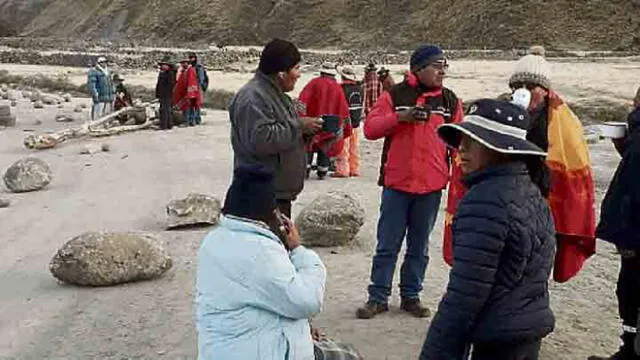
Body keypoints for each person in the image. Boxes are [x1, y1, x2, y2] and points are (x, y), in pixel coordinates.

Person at [442, 45, 596, 283]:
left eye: (530, 87)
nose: (522, 92)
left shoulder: (564, 122)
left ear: (545, 90)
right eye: (517, 86)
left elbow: (572, 171)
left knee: (529, 270)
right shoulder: (501, 113)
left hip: (540, 203)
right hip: (501, 197)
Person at [420, 99, 556, 360]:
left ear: (502, 150)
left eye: (474, 141)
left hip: (498, 337)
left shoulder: (485, 200)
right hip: (526, 329)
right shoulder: (530, 191)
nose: (462, 149)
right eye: (462, 139)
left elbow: (465, 295)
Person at [356, 45, 463, 319]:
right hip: (397, 185)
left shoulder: (450, 101)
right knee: (387, 244)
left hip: (431, 187)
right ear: (418, 69)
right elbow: (369, 129)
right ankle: (378, 297)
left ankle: (411, 296)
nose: (442, 71)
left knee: (419, 246)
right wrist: (399, 118)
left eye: (444, 66)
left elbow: (460, 145)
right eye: (436, 66)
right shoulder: (394, 96)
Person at [196, 164, 327, 360]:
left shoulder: (213, 240)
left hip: (226, 349)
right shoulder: (260, 251)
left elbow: (266, 295)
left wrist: (303, 328)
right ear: (272, 213)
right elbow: (307, 301)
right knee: (345, 354)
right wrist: (299, 251)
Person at [227, 38, 323, 218]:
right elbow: (261, 140)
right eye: (296, 68)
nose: (299, 74)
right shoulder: (253, 98)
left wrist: (310, 133)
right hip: (259, 196)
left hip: (275, 194)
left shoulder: (277, 96)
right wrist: (299, 126)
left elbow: (284, 135)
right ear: (281, 73)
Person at [589, 87, 640, 360]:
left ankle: (630, 351)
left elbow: (633, 191)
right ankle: (628, 348)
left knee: (631, 292)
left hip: (635, 234)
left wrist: (626, 239)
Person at [298, 62, 351, 180]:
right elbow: (343, 108)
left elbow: (302, 101)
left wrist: (300, 117)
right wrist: (345, 125)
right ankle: (322, 171)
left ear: (322, 72)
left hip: (312, 121)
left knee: (308, 145)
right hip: (330, 124)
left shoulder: (313, 83)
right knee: (325, 145)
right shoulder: (337, 87)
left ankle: (305, 170)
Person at [335, 66, 363, 177]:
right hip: (356, 121)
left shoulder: (340, 89)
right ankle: (354, 168)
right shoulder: (359, 88)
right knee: (354, 146)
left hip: (345, 122)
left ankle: (343, 170)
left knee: (343, 148)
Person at [173, 57, 203, 127]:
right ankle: (191, 121)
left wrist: (190, 93)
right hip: (186, 92)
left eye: (184, 63)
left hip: (190, 92)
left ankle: (188, 122)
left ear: (188, 63)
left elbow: (192, 82)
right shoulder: (184, 71)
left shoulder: (190, 71)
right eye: (182, 63)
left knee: (188, 108)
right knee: (189, 107)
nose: (183, 64)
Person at [155, 56, 177, 130]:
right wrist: (157, 94)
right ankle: (168, 124)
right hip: (163, 94)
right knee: (164, 109)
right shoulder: (163, 73)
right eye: (162, 65)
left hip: (167, 94)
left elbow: (171, 85)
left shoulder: (170, 74)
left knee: (165, 110)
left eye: (164, 65)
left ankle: (164, 125)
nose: (162, 66)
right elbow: (158, 85)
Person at [188, 52, 209, 125]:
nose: (191, 59)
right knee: (192, 104)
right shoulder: (191, 67)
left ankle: (197, 119)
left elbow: (201, 78)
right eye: (190, 58)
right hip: (192, 88)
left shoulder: (199, 67)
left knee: (196, 104)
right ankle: (193, 119)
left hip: (197, 88)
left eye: (192, 58)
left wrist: (198, 87)